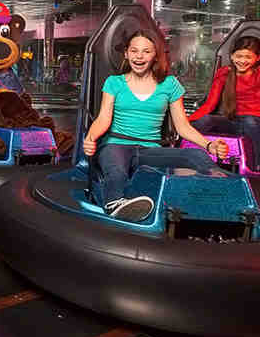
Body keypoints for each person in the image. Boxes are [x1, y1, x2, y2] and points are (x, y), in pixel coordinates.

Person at [83, 30, 230, 222]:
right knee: (117, 171)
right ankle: (114, 204)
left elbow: (182, 127)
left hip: (150, 149)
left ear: (155, 56)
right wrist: (91, 138)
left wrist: (209, 145)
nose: (139, 56)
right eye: (134, 51)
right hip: (116, 144)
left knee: (196, 155)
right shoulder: (114, 82)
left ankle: (223, 195)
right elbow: (103, 118)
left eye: (146, 51)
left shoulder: (170, 84)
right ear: (126, 54)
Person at [189, 36, 260, 171]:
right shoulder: (224, 73)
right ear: (232, 56)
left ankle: (256, 166)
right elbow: (209, 105)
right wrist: (186, 122)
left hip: (255, 123)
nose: (243, 61)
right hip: (233, 121)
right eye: (239, 56)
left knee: (250, 122)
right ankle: (191, 157)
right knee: (205, 120)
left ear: (257, 58)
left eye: (248, 57)